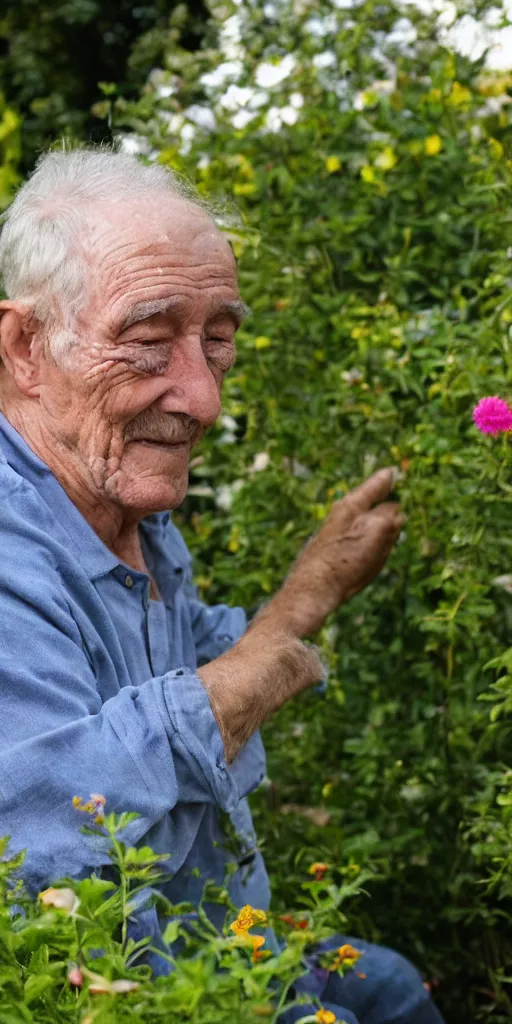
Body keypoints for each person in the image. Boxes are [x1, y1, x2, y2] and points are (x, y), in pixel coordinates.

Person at [0, 149, 443, 1024]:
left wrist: (310, 593)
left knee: (389, 985)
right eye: (149, 339)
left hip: (209, 931)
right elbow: (50, 820)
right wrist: (280, 657)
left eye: (218, 340)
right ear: (25, 347)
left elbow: (198, 672)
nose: (201, 397)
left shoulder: (125, 508)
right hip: (112, 984)